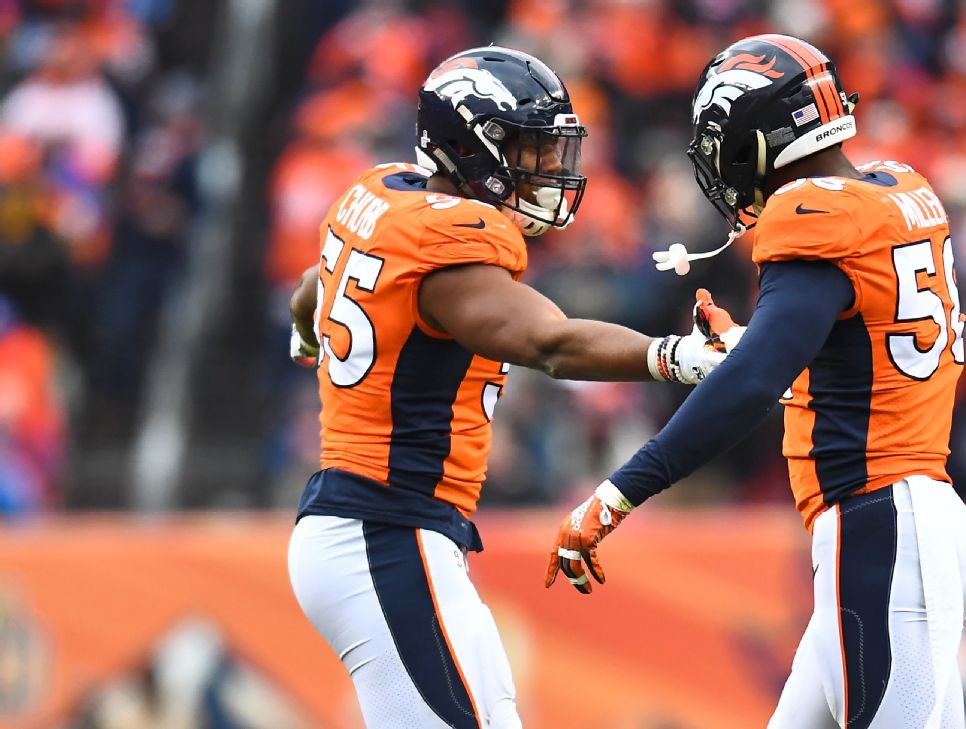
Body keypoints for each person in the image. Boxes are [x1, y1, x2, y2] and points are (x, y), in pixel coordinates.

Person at [285, 47, 738, 729]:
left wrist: (309, 333)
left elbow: (312, 287)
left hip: (390, 528)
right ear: (468, 145)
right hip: (382, 530)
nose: (549, 168)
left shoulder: (379, 196)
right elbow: (546, 342)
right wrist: (671, 355)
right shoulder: (448, 240)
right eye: (528, 149)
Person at [546, 35, 966, 728]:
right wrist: (758, 346)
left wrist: (620, 491)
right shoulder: (902, 190)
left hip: (884, 527)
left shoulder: (815, 214)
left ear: (761, 135)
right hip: (907, 518)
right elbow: (858, 364)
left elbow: (752, 381)